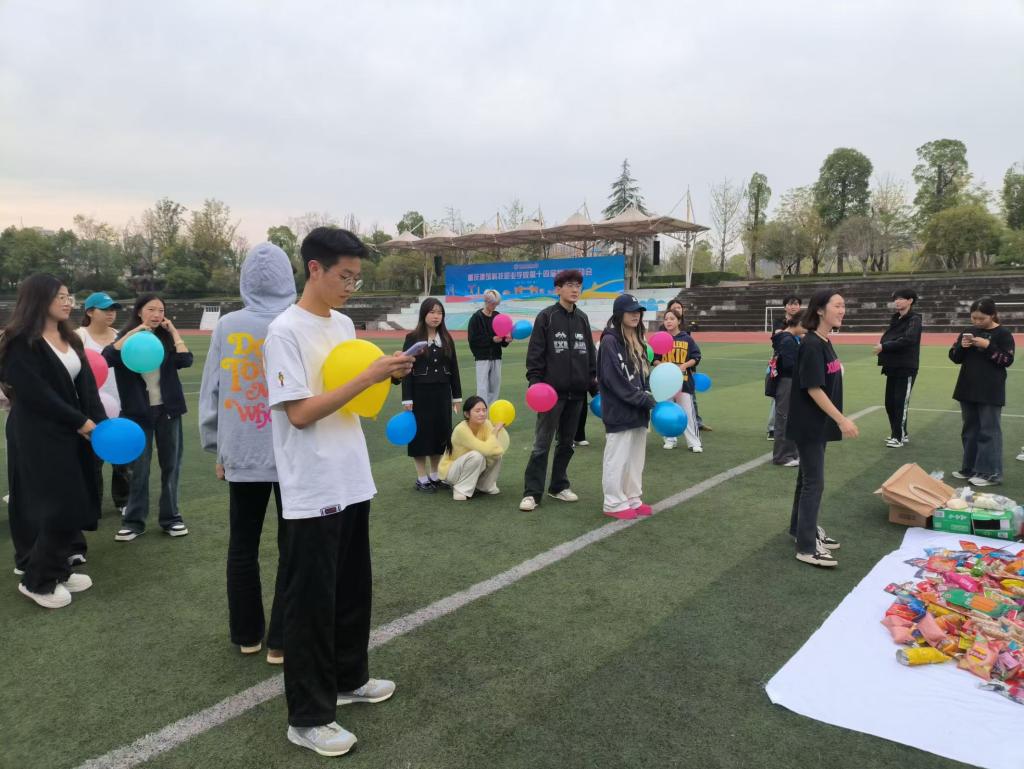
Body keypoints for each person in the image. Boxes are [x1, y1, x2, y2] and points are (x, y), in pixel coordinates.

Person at [263, 227, 414, 757]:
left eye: (357, 278)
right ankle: (307, 718)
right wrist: (368, 375)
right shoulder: (284, 332)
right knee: (311, 604)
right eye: (345, 276)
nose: (351, 286)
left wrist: (385, 375)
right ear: (314, 269)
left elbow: (351, 398)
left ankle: (350, 678)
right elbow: (301, 413)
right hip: (311, 485)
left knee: (352, 590)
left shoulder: (345, 324)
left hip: (351, 476)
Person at [199, 242, 296, 663]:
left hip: (242, 448)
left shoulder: (227, 326)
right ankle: (281, 640)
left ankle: (247, 634)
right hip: (292, 451)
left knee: (243, 545)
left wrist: (217, 447)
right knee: (292, 546)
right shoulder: (297, 321)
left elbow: (213, 391)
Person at [0, 274, 104, 608]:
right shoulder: (20, 341)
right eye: (60, 295)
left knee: (74, 499)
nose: (67, 301)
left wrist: (100, 424)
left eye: (68, 295)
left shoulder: (70, 338)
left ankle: (56, 567)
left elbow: (86, 387)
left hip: (70, 431)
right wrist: (80, 421)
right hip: (36, 433)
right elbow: (35, 394)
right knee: (58, 503)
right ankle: (38, 581)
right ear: (38, 298)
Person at [103, 294, 194, 541]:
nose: (156, 314)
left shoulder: (165, 338)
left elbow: (185, 360)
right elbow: (107, 357)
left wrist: (173, 331)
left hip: (168, 410)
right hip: (137, 413)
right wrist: (134, 332)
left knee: (171, 466)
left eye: (161, 310)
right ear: (139, 311)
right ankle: (133, 522)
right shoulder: (126, 339)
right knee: (138, 469)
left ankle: (171, 518)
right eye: (151, 309)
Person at [786, 289, 858, 569]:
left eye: (843, 305)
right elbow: (813, 388)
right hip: (809, 423)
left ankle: (800, 530)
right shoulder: (812, 344)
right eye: (837, 305)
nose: (842, 310)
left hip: (817, 422)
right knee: (814, 483)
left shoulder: (824, 341)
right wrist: (842, 419)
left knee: (806, 479)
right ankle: (806, 547)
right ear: (819, 310)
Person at [520, 269, 597, 512]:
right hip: (550, 395)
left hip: (577, 394)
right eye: (570, 285)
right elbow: (535, 353)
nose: (575, 289)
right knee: (541, 444)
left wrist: (593, 384)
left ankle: (558, 486)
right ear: (558, 289)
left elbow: (590, 355)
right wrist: (535, 383)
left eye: (578, 285)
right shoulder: (546, 317)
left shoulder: (583, 318)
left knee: (567, 443)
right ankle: (532, 493)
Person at [598, 294, 656, 520]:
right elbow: (614, 379)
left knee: (635, 458)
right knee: (617, 458)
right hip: (619, 410)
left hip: (638, 411)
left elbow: (643, 376)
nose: (635, 315)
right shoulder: (609, 341)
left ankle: (633, 497)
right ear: (619, 314)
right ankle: (613, 502)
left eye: (638, 311)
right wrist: (642, 399)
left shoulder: (639, 340)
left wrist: (649, 394)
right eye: (631, 311)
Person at [949, 297, 1015, 487]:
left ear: (992, 315)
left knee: (989, 431)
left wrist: (987, 346)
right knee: (969, 431)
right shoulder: (968, 331)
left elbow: (1006, 360)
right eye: (974, 318)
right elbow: (954, 357)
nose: (977, 322)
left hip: (990, 390)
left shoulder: (1003, 334)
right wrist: (961, 346)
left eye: (982, 318)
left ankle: (990, 473)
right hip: (967, 387)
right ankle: (970, 468)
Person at [76, 292, 131, 520]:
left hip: (121, 405)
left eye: (113, 309)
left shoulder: (120, 336)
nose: (111, 313)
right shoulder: (78, 337)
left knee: (122, 458)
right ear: (90, 312)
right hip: (90, 408)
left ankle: (124, 500)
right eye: (105, 309)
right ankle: (92, 503)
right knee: (91, 461)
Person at [401, 298, 462, 492]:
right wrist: (407, 398)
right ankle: (421, 478)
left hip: (442, 393)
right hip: (420, 394)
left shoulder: (447, 338)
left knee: (440, 434)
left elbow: (454, 368)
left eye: (440, 313)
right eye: (432, 312)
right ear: (424, 314)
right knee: (420, 435)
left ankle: (435, 475)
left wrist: (457, 397)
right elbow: (406, 369)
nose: (436, 316)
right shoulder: (412, 338)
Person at [874, 288, 922, 448]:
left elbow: (909, 339)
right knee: (890, 402)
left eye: (901, 298)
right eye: (896, 299)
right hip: (892, 365)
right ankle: (901, 433)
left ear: (910, 301)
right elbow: (893, 336)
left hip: (906, 366)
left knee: (900, 402)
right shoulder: (896, 318)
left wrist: (884, 346)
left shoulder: (915, 319)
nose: (897, 301)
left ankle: (898, 437)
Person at [438, 396, 508, 500]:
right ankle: (461, 489)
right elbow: (486, 450)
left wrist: (494, 446)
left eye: (484, 410)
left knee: (496, 455)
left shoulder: (486, 424)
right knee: (477, 455)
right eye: (477, 411)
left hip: (470, 464)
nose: (482, 413)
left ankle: (485, 485)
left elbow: (497, 450)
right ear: (467, 414)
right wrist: (495, 432)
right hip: (451, 471)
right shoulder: (461, 429)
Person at [653, 308, 702, 452]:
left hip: (683, 382)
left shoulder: (687, 339)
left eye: (672, 319)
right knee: (667, 411)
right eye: (666, 319)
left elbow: (696, 357)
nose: (668, 321)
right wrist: (663, 366)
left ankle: (694, 442)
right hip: (665, 383)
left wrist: (684, 366)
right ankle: (670, 439)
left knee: (688, 413)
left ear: (679, 321)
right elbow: (654, 359)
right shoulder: (661, 338)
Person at [667, 298, 711, 432]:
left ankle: (696, 422)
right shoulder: (664, 329)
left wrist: (690, 367)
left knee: (690, 397)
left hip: (685, 371)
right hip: (668, 373)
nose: (677, 310)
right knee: (670, 399)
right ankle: (672, 426)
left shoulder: (685, 329)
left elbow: (691, 351)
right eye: (674, 308)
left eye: (679, 308)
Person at [466, 289, 509, 406]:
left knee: (495, 387)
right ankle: (481, 411)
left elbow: (502, 338)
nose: (495, 306)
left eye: (496, 304)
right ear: (486, 301)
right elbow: (473, 340)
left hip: (496, 356)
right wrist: (492, 339)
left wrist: (506, 340)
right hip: (482, 358)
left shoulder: (497, 316)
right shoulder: (476, 318)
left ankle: (491, 412)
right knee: (482, 387)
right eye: (493, 304)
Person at [768, 295, 802, 440]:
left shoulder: (802, 321)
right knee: (779, 396)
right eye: (790, 304)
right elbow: (778, 336)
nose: (793, 307)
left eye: (796, 304)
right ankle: (772, 428)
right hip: (780, 362)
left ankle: (789, 427)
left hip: (797, 361)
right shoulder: (779, 321)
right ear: (785, 306)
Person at [770, 317, 802, 467]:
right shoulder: (787, 340)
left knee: (790, 418)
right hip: (787, 382)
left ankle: (791, 454)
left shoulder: (787, 338)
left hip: (788, 381)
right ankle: (782, 457)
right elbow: (790, 365)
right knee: (784, 419)